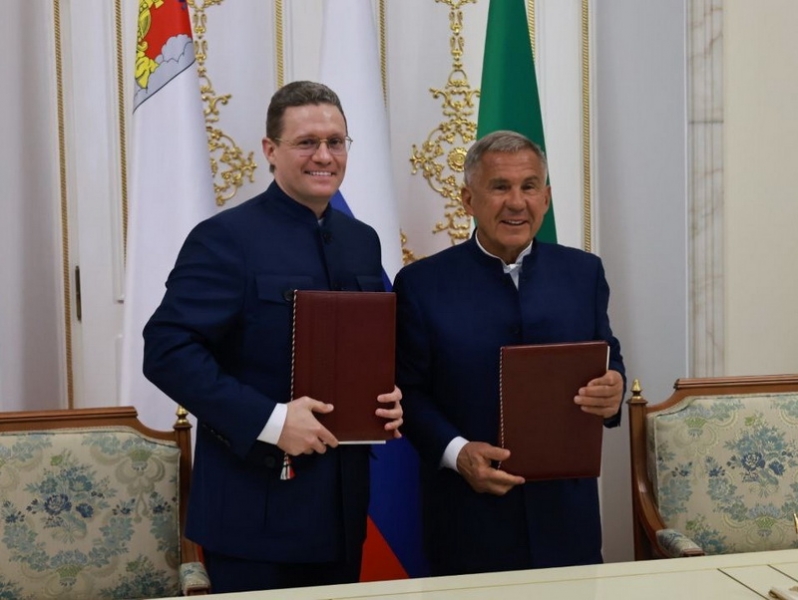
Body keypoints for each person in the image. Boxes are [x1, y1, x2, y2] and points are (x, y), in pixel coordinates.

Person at [142, 80, 403, 592]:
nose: (324, 156)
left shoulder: (361, 241)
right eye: (306, 142)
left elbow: (359, 346)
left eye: (336, 142)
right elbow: (167, 350)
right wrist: (271, 420)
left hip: (342, 513)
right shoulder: (224, 238)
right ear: (270, 150)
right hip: (252, 515)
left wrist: (386, 399)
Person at [394, 130, 625, 576]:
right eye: (500, 187)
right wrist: (458, 452)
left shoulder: (583, 273)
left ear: (546, 198)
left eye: (529, 186)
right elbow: (408, 391)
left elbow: (607, 355)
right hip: (468, 523)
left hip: (567, 522)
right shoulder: (421, 285)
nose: (516, 202)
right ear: (468, 199)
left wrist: (613, 386)